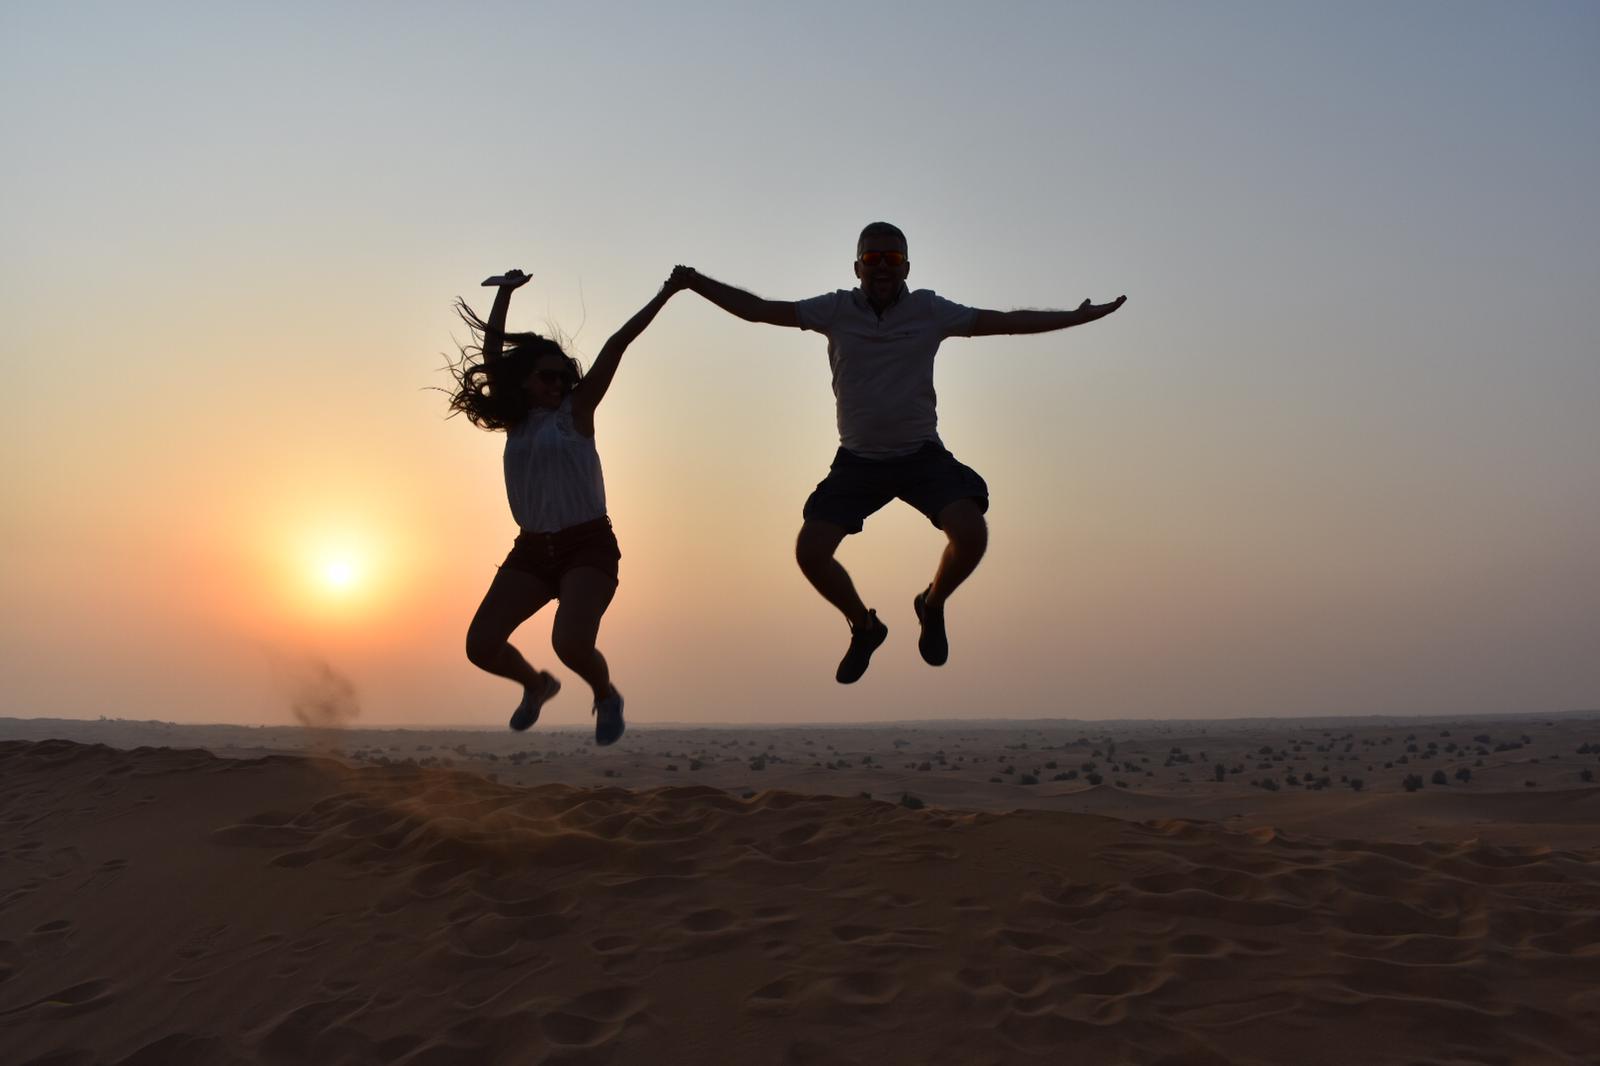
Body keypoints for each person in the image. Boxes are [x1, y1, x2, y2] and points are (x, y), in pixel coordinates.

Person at [672, 222, 1125, 684]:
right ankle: (865, 627)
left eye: (893, 259)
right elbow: (759, 311)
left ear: (907, 267)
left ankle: (932, 604)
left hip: (920, 457)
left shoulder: (929, 310)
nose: (883, 267)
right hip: (858, 462)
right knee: (810, 552)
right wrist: (694, 282)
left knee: (971, 534)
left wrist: (1076, 317)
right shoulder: (835, 309)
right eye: (872, 259)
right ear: (857, 267)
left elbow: (1004, 322)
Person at [447, 268, 682, 744]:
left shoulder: (576, 412)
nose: (558, 383)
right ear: (525, 381)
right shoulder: (518, 421)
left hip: (587, 546)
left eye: (563, 375)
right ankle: (536, 685)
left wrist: (666, 293)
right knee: (481, 645)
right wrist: (505, 294)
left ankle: (606, 695)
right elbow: (493, 357)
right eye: (547, 376)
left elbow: (617, 344)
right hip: (532, 550)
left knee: (570, 643)